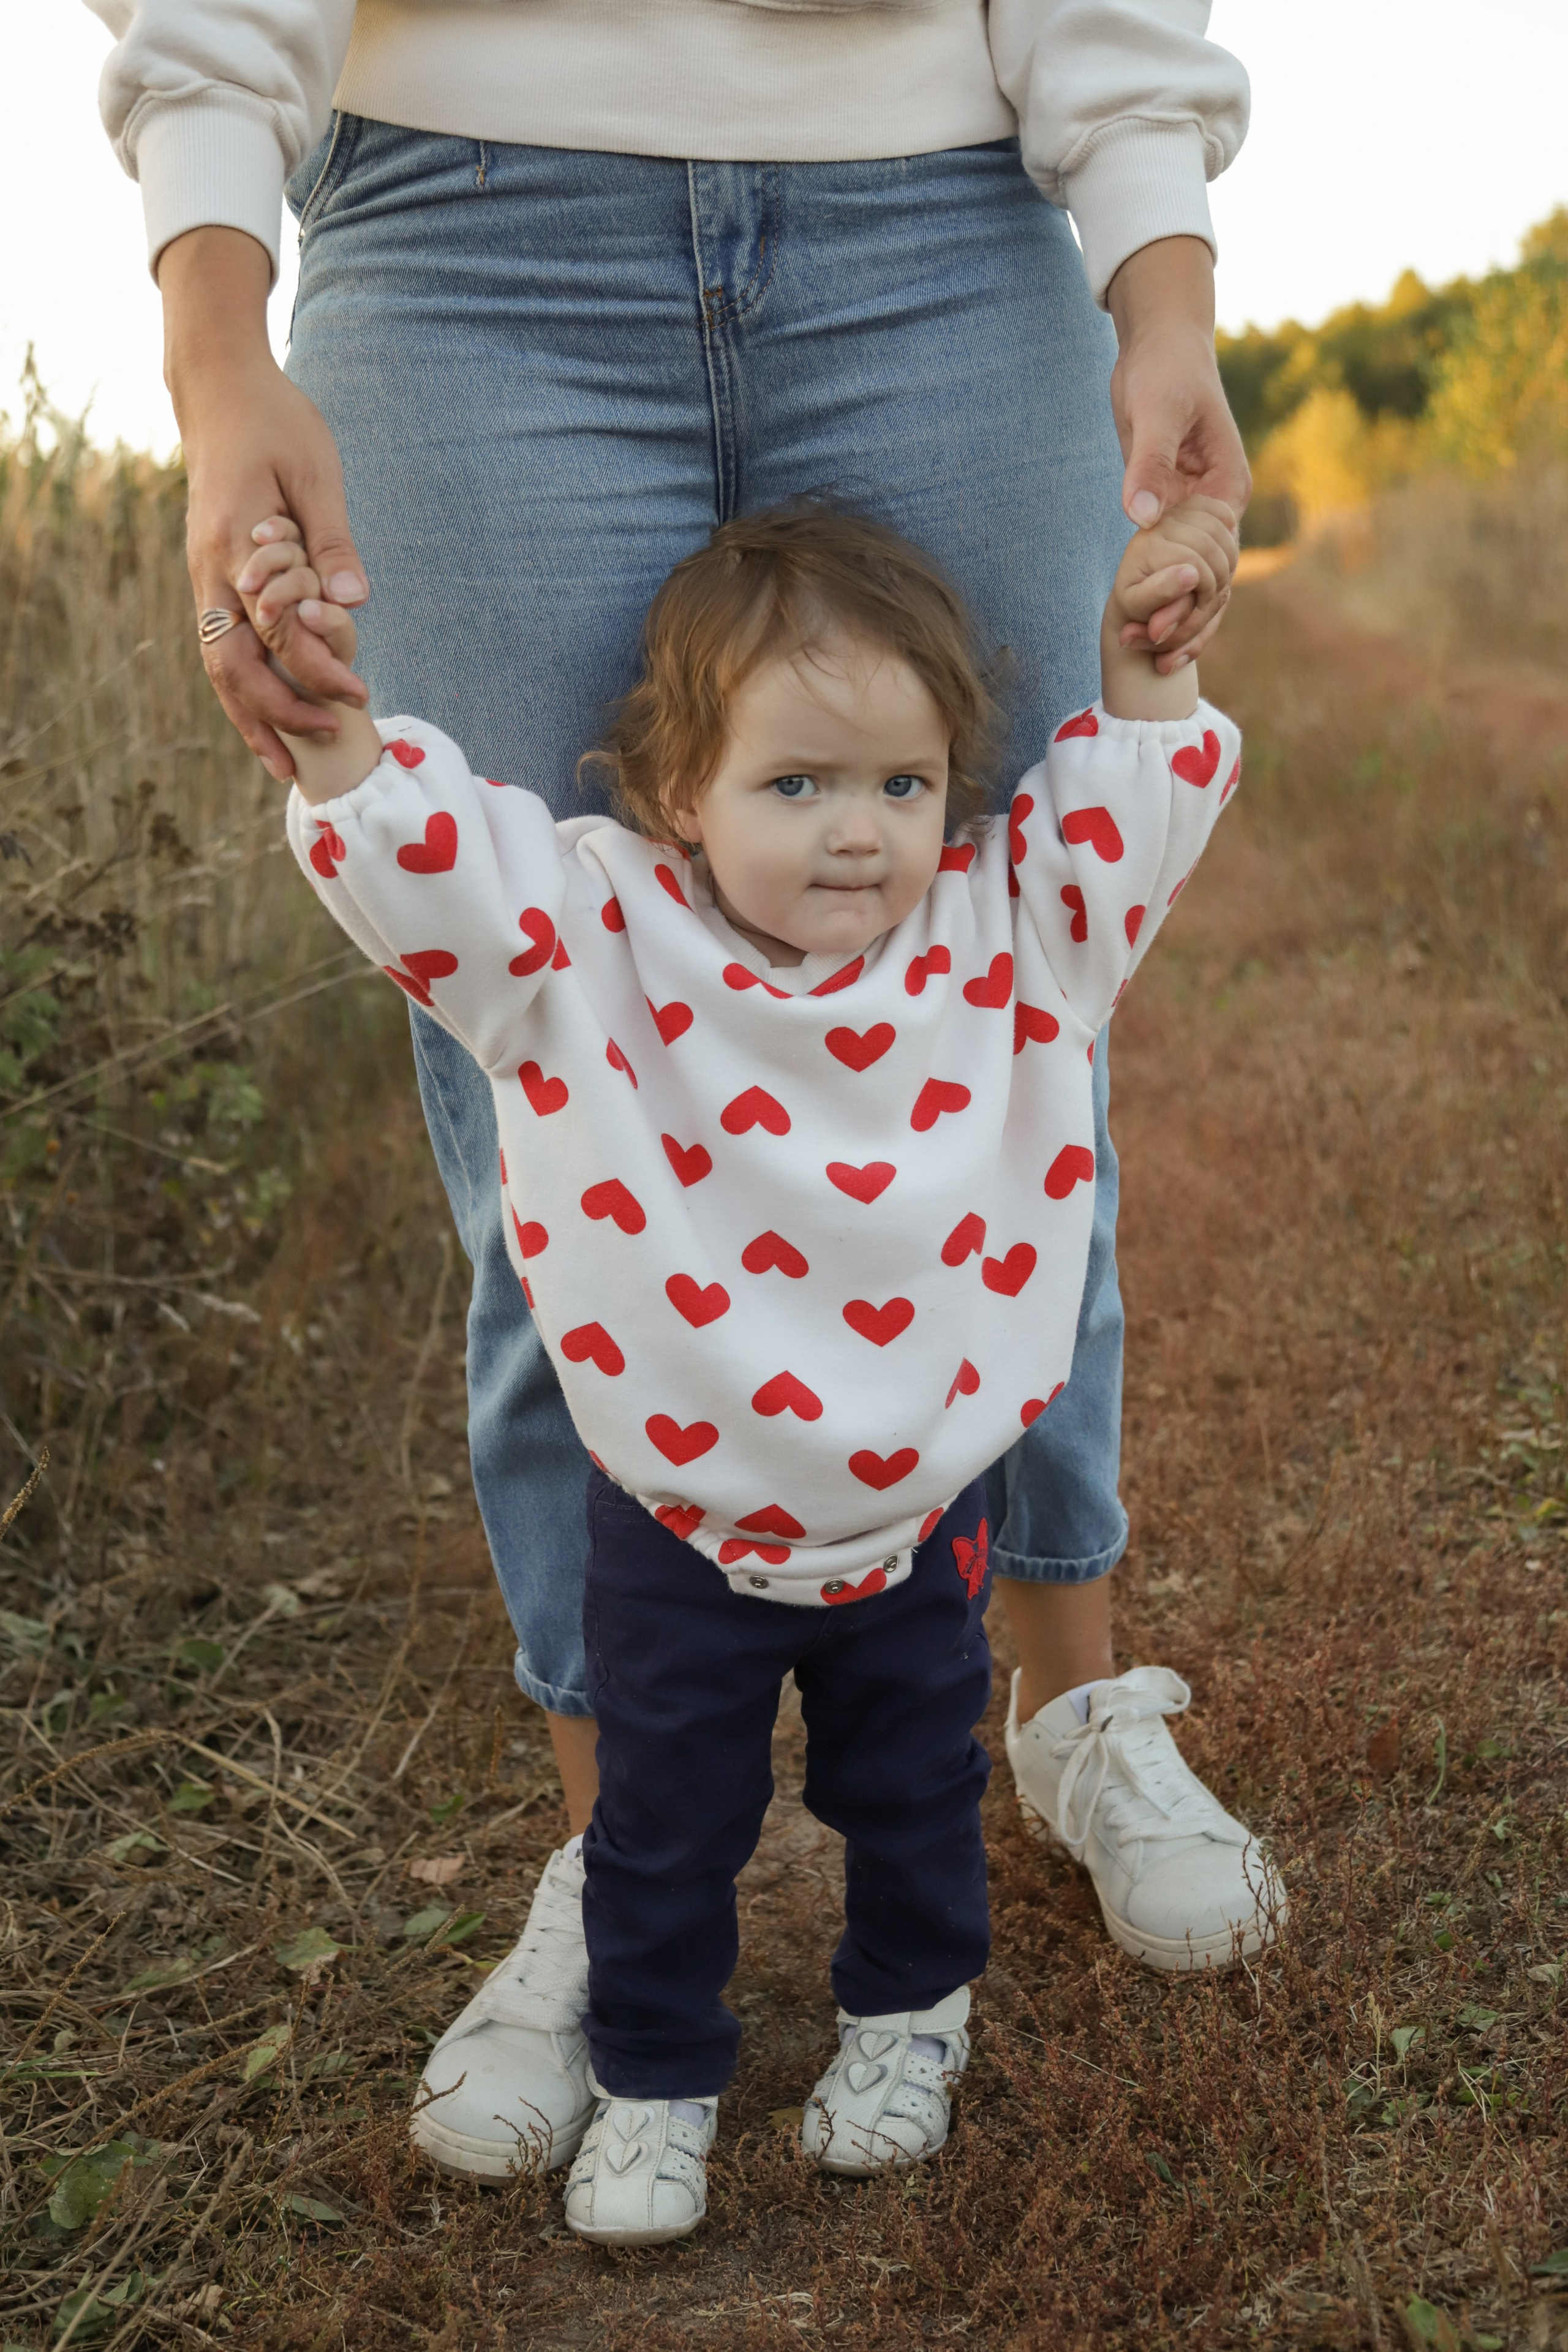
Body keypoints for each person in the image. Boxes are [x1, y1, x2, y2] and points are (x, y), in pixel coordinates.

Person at [90, 0, 1265, 2186]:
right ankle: (619, 1859)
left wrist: (1161, 262)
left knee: (1000, 1032)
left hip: (947, 204)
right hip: (457, 215)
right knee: (543, 1122)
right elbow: (447, 895)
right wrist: (213, 329)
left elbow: (1092, 865)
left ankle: (1075, 1708)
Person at [259, 493, 1273, 2243]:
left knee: (914, 1793)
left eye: (900, 784)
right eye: (793, 785)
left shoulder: (999, 940)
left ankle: (908, 2019)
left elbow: (1116, 841)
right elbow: (440, 880)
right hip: (677, 1516)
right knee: (662, 1829)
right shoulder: (589, 943)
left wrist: (1144, 685)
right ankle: (657, 2081)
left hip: (918, 1513)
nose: (861, 833)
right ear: (675, 799)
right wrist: (344, 743)